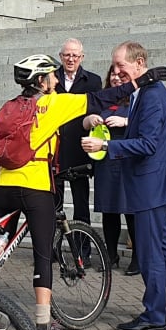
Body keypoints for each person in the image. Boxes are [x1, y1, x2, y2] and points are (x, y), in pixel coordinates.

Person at [0, 53, 166, 330]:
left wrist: (9, 163)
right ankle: (43, 326)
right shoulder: (53, 103)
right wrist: (142, 80)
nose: (56, 80)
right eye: (52, 76)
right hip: (36, 187)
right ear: (42, 82)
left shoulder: (8, 107)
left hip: (4, 186)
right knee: (43, 255)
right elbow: (103, 97)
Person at [82, 42, 166, 330]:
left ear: (139, 63)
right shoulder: (146, 91)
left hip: (151, 183)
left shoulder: (153, 95)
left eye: (121, 66)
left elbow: (148, 143)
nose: (116, 72)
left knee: (149, 251)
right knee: (163, 246)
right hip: (153, 181)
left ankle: (154, 315)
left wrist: (105, 145)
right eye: (114, 66)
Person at [80, 65, 135, 273]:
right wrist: (90, 120)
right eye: (113, 74)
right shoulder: (102, 98)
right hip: (104, 161)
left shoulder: (137, 98)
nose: (117, 78)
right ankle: (110, 256)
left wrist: (125, 121)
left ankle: (137, 257)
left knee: (130, 210)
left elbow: (148, 123)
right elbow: (84, 123)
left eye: (121, 75)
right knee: (109, 209)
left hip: (127, 158)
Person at [53, 39, 102, 226]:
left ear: (82, 57)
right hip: (55, 150)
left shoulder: (93, 81)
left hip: (79, 150)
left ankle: (83, 251)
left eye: (75, 55)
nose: (71, 59)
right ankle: (53, 251)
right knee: (53, 205)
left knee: (81, 204)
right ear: (61, 57)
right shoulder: (51, 79)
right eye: (67, 55)